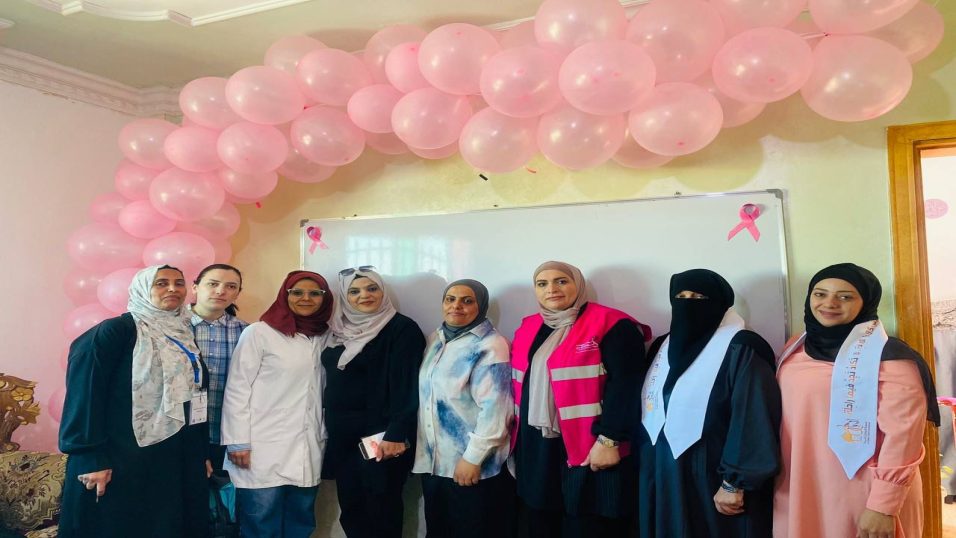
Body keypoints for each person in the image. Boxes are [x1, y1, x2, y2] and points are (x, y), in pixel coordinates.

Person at [773, 263, 939, 538]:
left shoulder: (891, 358)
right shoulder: (795, 347)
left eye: (845, 296)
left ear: (866, 302)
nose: (829, 303)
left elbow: (903, 438)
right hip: (801, 482)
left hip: (863, 493)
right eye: (820, 294)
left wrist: (883, 506)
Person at [59, 265, 210, 538]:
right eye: (161, 283)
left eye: (179, 283)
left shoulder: (182, 333)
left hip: (171, 455)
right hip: (121, 455)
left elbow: (193, 396)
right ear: (142, 289)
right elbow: (85, 393)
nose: (173, 289)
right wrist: (91, 456)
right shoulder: (116, 331)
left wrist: (200, 454)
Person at [636, 268, 781, 537]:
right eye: (681, 296)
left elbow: (753, 417)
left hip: (712, 472)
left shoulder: (742, 347)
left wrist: (734, 481)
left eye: (698, 297)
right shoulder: (662, 347)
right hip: (663, 468)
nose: (687, 303)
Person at [510, 261, 649, 538]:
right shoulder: (529, 326)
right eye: (542, 283)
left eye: (561, 281)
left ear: (578, 284)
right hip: (537, 446)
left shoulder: (610, 324)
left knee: (587, 523)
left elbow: (626, 386)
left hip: (591, 445)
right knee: (540, 520)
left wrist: (610, 439)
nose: (552, 289)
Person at [220, 270, 333, 538]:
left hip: (307, 445)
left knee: (300, 520)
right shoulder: (259, 333)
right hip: (260, 445)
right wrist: (237, 441)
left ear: (325, 298)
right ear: (285, 295)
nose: (306, 298)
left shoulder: (327, 336)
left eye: (315, 293)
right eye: (297, 292)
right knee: (261, 522)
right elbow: (237, 388)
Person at [321, 266, 426, 538]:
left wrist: (396, 433)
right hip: (343, 438)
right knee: (352, 508)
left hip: (380, 436)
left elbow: (407, 387)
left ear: (383, 292)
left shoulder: (402, 329)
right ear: (345, 297)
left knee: (381, 508)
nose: (364, 295)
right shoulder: (337, 330)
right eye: (354, 291)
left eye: (372, 288)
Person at [412, 279, 515, 537]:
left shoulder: (490, 345)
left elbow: (496, 410)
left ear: (481, 306)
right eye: (450, 299)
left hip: (471, 464)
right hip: (436, 463)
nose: (456, 306)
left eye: (467, 301)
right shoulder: (436, 339)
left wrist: (472, 458)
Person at [190, 263, 248, 471]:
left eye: (231, 286)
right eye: (213, 284)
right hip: (180, 435)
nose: (221, 291)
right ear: (195, 287)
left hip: (226, 433)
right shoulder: (172, 327)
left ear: (238, 293)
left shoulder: (247, 332)